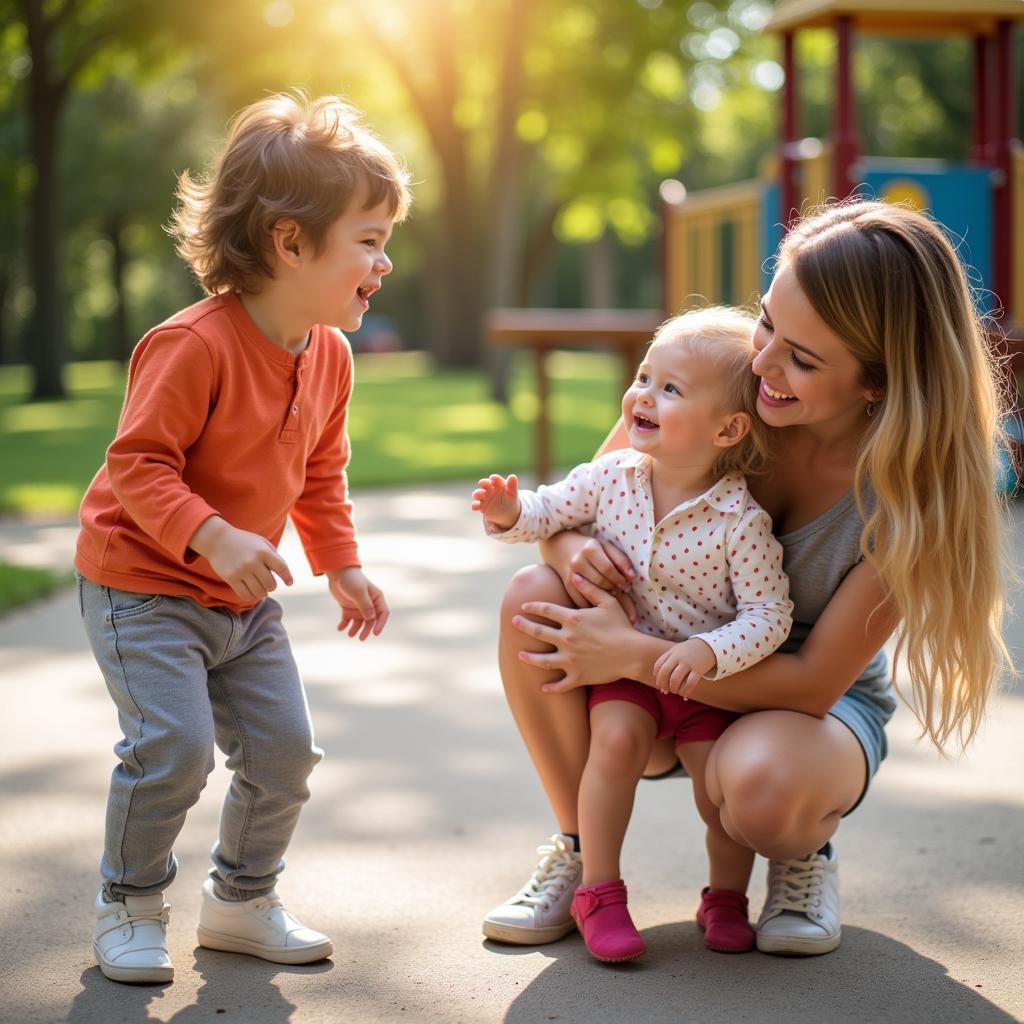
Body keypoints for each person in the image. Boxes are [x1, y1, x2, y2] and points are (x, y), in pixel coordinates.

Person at [482, 200, 1010, 957]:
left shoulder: (907, 495)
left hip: (796, 712)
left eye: (802, 357)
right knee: (530, 603)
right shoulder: (732, 379)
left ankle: (800, 857)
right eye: (768, 322)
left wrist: (629, 654)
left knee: (762, 784)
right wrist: (571, 558)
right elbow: (595, 495)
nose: (762, 363)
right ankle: (580, 855)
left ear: (876, 384)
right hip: (655, 658)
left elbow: (808, 685)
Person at [75, 92, 411, 984]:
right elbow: (138, 465)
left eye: (386, 238)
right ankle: (129, 902)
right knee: (173, 752)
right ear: (290, 241)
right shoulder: (193, 346)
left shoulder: (329, 356)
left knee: (284, 752)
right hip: (142, 585)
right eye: (369, 239)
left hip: (238, 596)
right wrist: (213, 535)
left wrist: (341, 564)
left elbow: (320, 472)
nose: (385, 261)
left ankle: (240, 902)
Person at [473, 310, 793, 961]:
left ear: (728, 428)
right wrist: (510, 512)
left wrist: (710, 650)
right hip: (620, 675)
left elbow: (769, 615)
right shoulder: (611, 477)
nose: (643, 394)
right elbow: (547, 511)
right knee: (613, 746)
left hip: (704, 684)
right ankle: (597, 890)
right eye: (644, 376)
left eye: (671, 389)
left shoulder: (740, 519)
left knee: (714, 788)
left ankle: (726, 897)